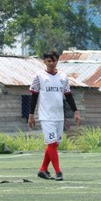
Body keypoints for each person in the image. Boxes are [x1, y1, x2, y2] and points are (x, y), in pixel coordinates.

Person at [28, 51, 81, 181]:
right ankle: (58, 172)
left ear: (57, 61)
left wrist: (76, 111)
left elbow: (68, 95)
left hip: (59, 116)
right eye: (48, 61)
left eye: (53, 60)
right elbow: (34, 96)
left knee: (54, 144)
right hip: (46, 116)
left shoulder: (63, 76)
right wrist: (31, 115)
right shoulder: (39, 76)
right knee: (51, 144)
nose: (51, 63)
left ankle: (42, 170)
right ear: (44, 62)